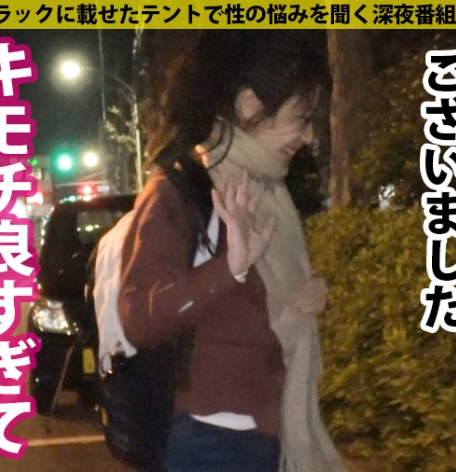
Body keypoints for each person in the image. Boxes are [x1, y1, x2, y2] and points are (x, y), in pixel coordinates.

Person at [117, 30, 349, 472]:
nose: (308, 136)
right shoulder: (179, 191)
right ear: (248, 106)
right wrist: (231, 268)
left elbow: (261, 312)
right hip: (207, 441)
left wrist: (305, 297)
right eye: (300, 118)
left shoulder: (269, 194)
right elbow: (139, 318)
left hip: (265, 434)